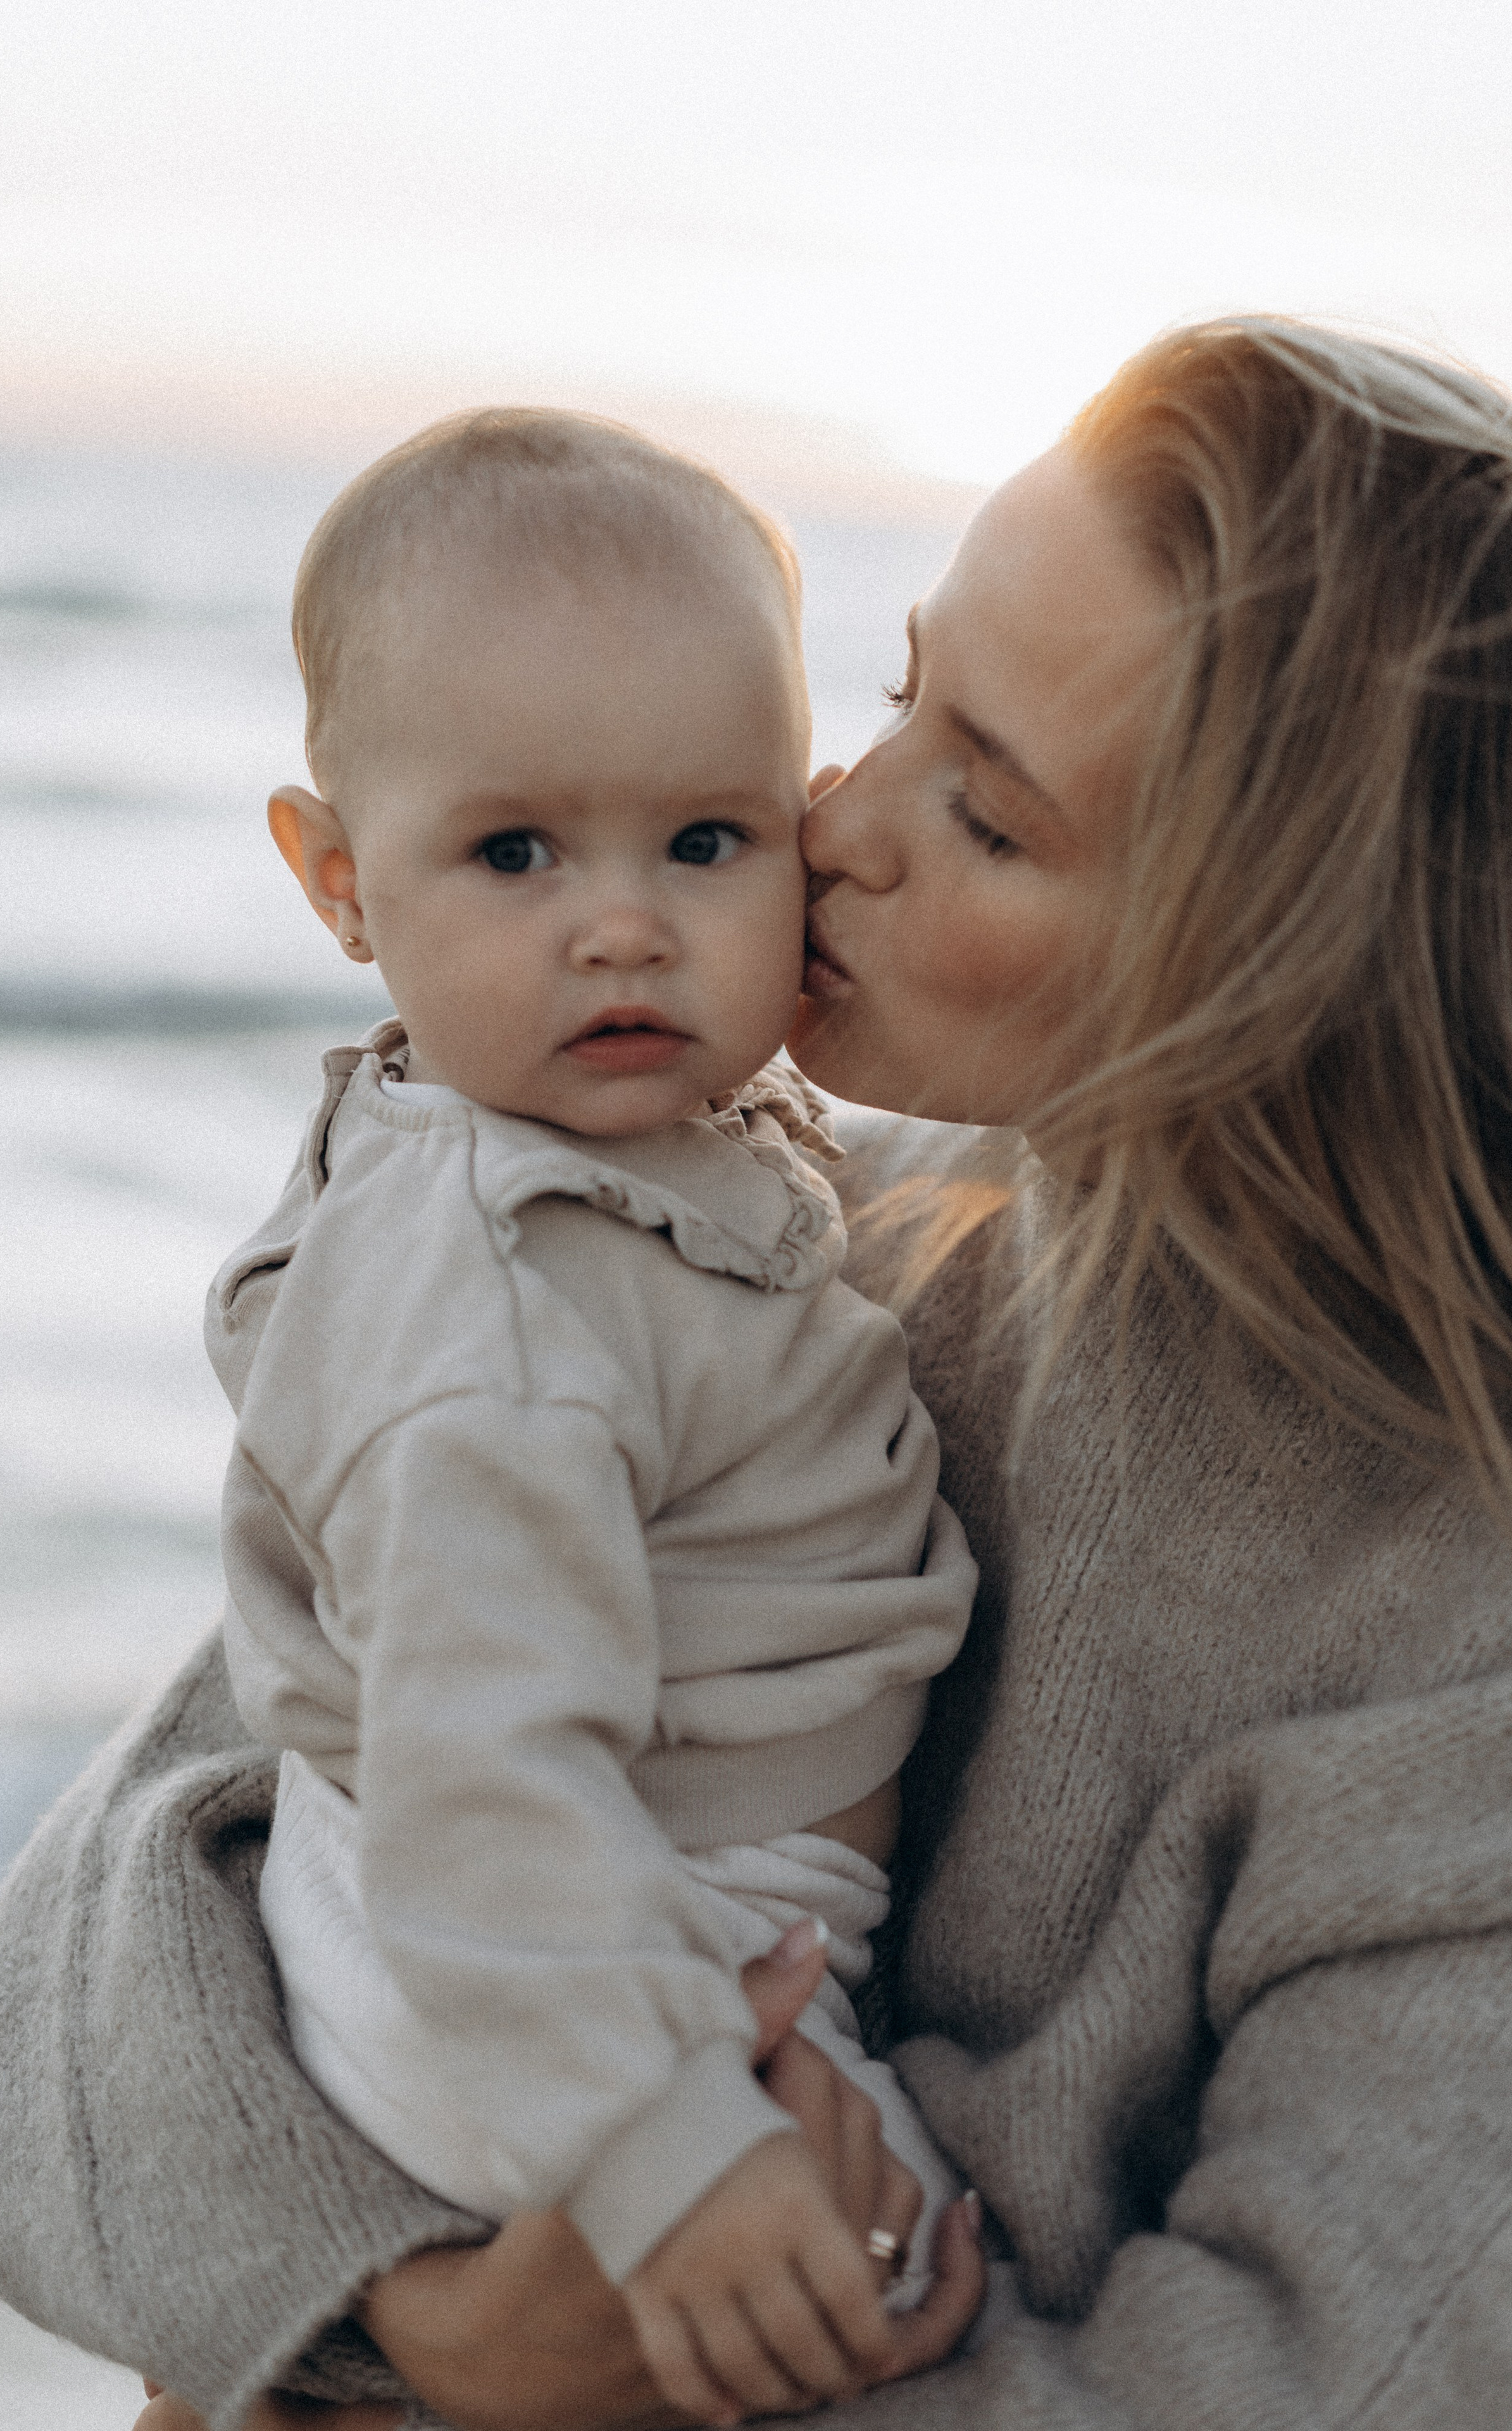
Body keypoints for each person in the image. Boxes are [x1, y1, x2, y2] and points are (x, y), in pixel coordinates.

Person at [0, 313, 1512, 2431]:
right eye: (903, 694)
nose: (834, 819)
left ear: (1283, 975)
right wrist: (420, 2320)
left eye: (985, 815)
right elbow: (97, 1943)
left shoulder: (1499, 1674)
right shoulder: (772, 1227)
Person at [202, 406, 977, 2427]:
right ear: (340, 879)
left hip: (600, 1925)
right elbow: (483, 1776)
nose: (623, 922)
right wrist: (664, 2151)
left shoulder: (648, 1156)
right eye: (517, 851)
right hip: (568, 1955)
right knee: (874, 2295)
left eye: (705, 842)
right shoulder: (496, 1301)